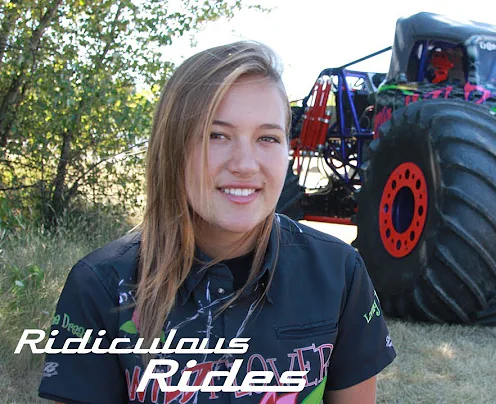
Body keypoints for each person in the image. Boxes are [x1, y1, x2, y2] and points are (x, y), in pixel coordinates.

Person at [37, 40, 397, 404]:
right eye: (217, 135)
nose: (245, 163)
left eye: (267, 137)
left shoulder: (339, 274)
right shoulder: (100, 286)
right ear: (173, 147)